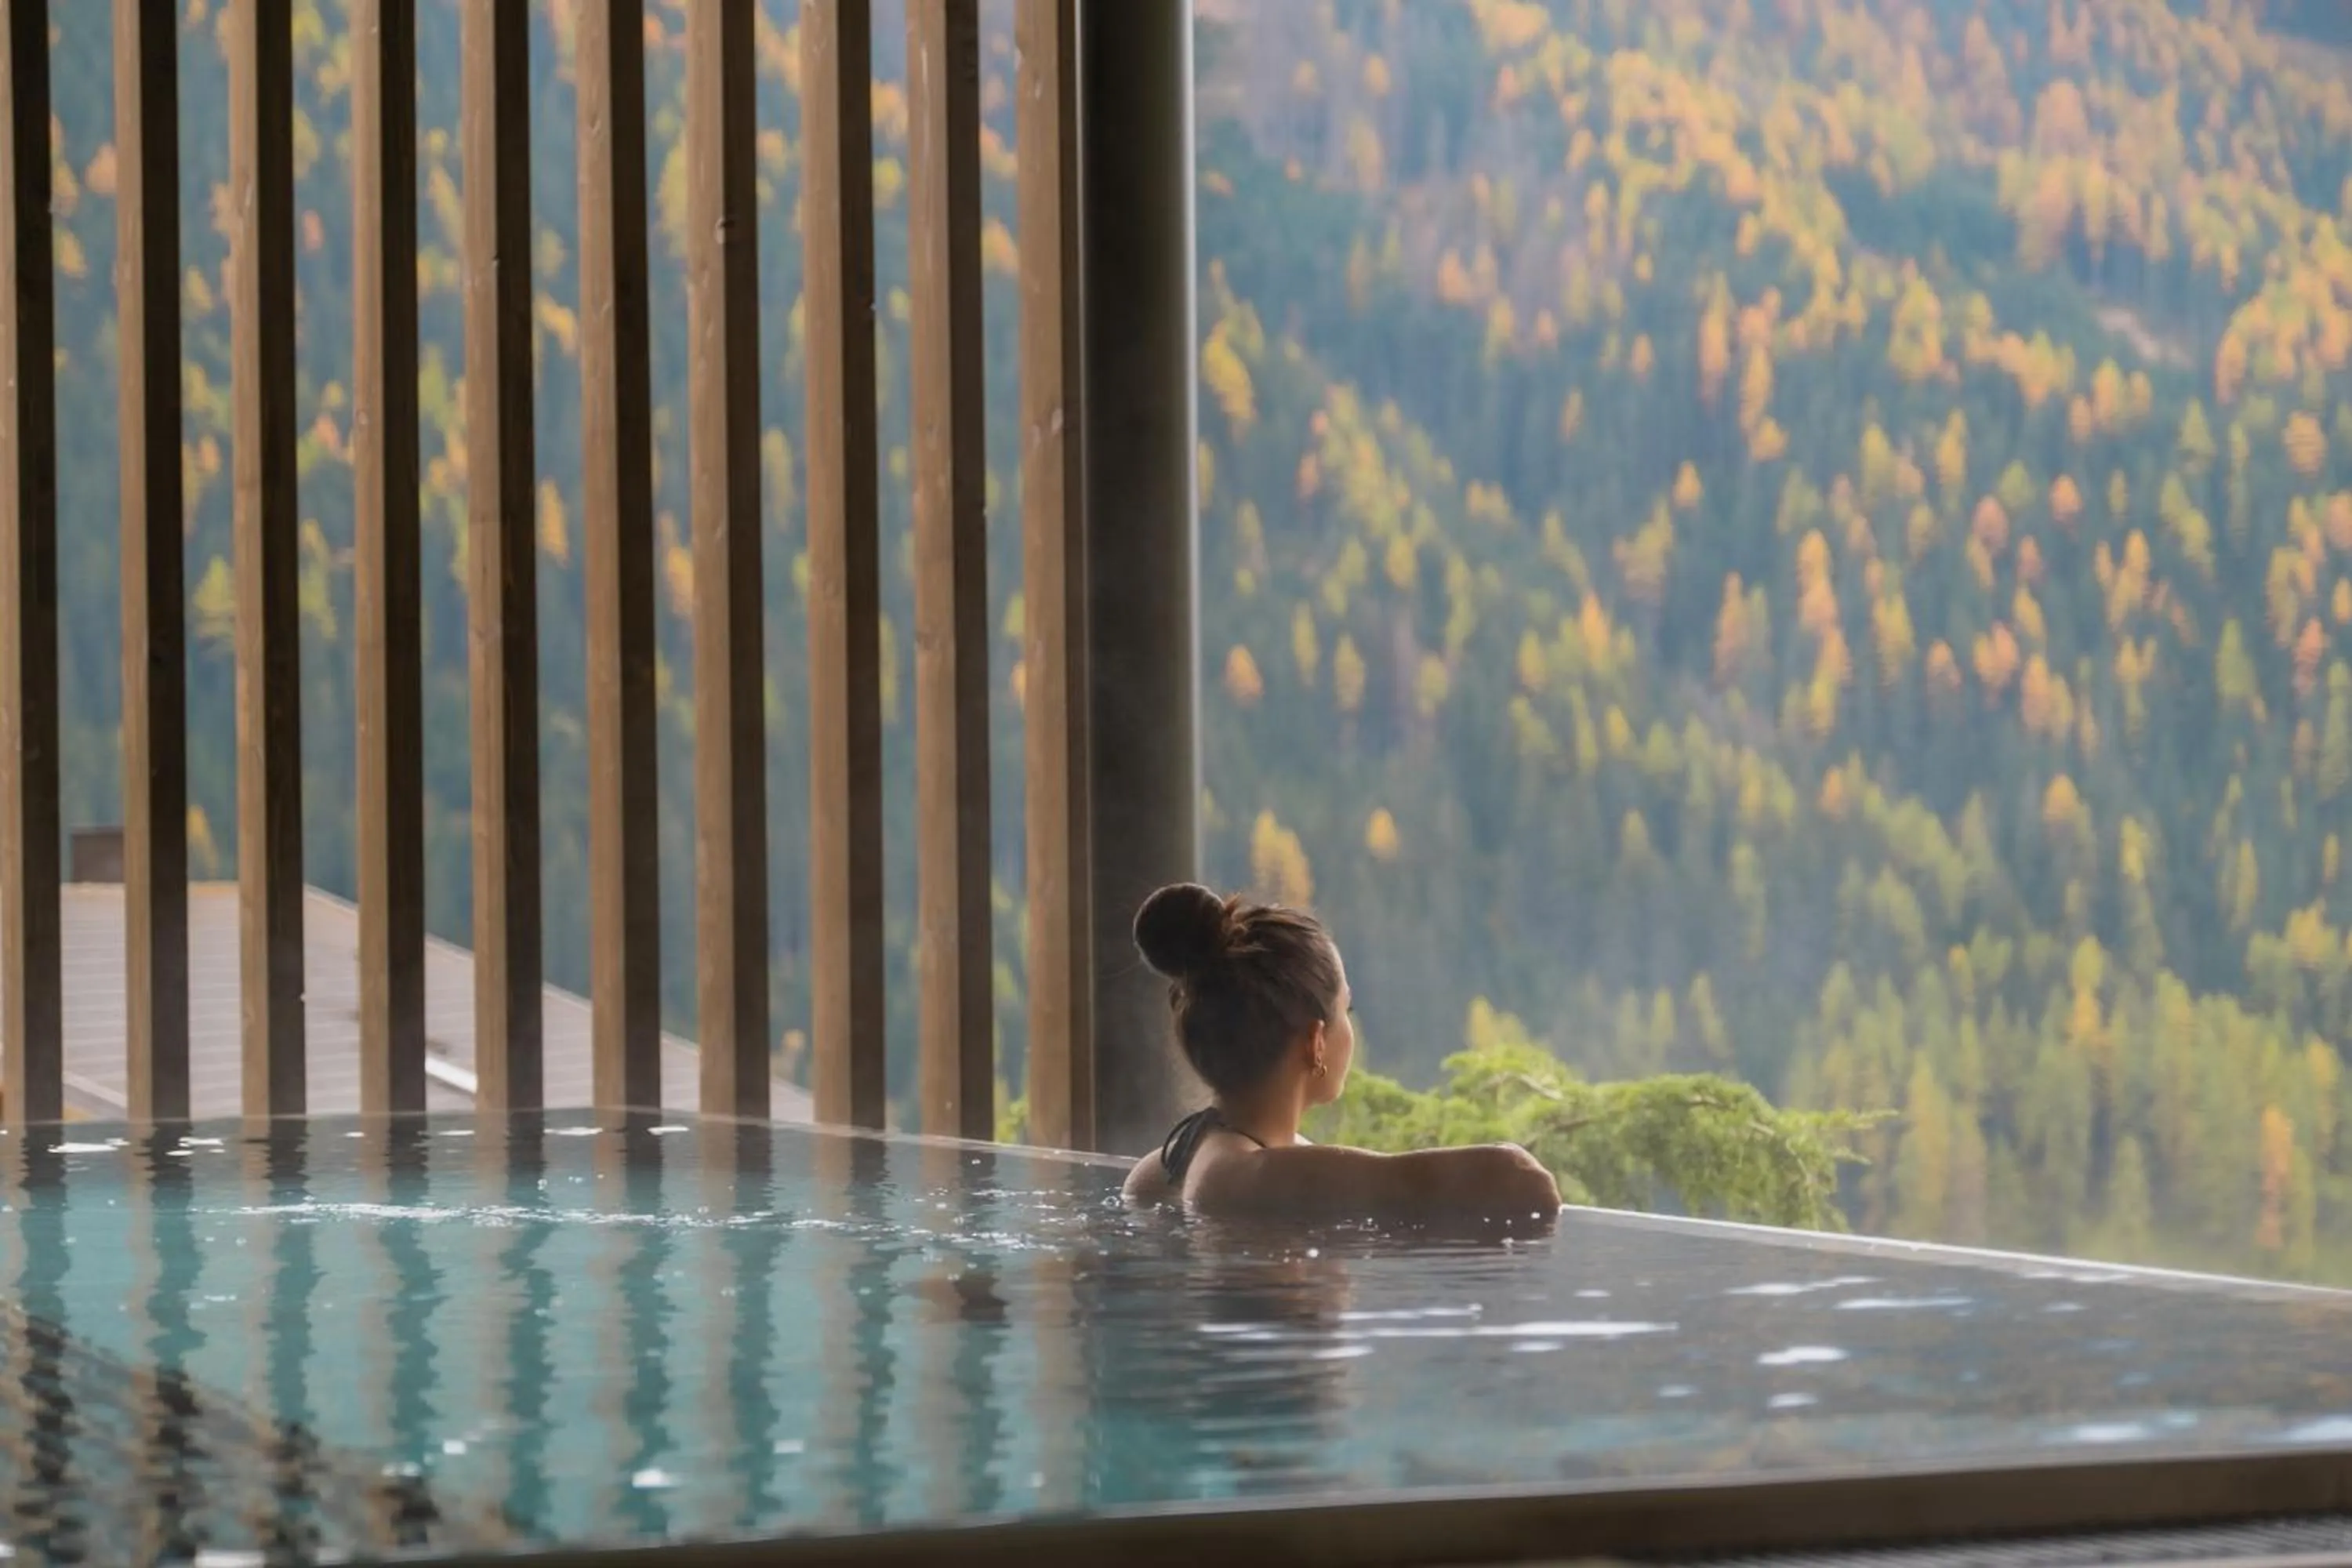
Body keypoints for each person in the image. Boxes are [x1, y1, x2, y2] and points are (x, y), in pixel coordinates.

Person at [1121, 882, 1562, 1221]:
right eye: (1345, 1010)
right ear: (1315, 1042)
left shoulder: (1159, 1170)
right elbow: (1524, 1184)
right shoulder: (1251, 1176)